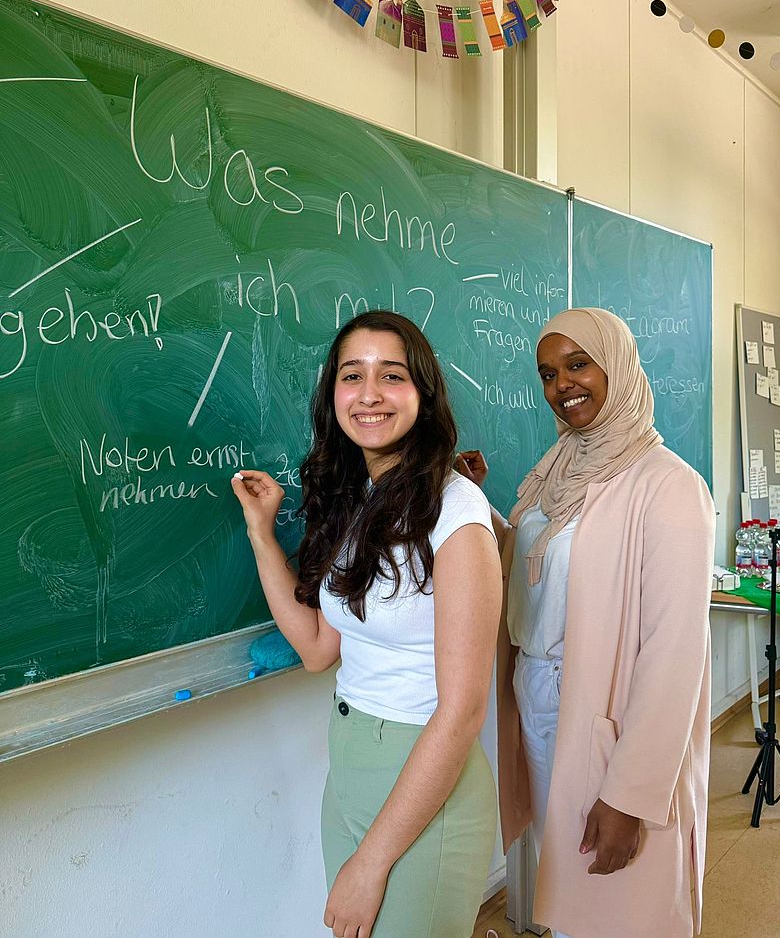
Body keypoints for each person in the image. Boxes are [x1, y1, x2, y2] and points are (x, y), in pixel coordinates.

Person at [231, 310, 502, 938]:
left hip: (423, 780)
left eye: (392, 375)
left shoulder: (457, 513)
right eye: (353, 375)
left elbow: (462, 710)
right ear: (334, 394)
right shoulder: (361, 500)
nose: (370, 393)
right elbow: (318, 648)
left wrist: (372, 863)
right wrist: (262, 535)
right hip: (350, 767)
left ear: (423, 394)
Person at [458, 307, 715, 938]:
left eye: (579, 365)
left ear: (617, 367)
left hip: (608, 716)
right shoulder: (559, 468)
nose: (561, 385)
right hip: (541, 700)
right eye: (548, 373)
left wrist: (629, 794)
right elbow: (544, 565)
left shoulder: (668, 486)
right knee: (570, 882)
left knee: (619, 897)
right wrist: (474, 505)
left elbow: (674, 655)